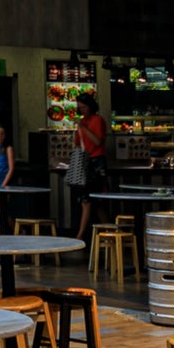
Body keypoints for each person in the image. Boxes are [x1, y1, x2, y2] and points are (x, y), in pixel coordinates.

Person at [69, 92, 107, 245]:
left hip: (96, 161)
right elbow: (78, 143)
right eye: (80, 108)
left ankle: (80, 235)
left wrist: (83, 127)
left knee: (93, 201)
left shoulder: (98, 120)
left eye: (84, 107)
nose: (82, 110)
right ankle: (109, 229)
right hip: (84, 161)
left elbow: (97, 141)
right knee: (92, 202)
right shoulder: (82, 122)